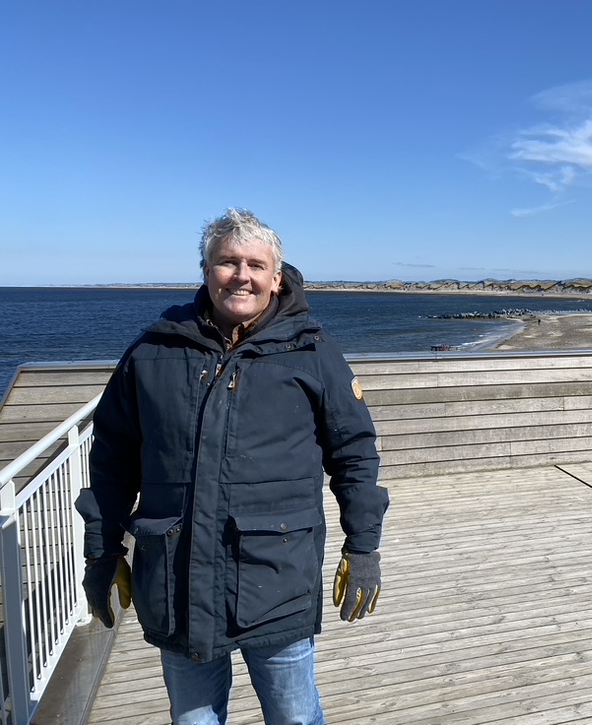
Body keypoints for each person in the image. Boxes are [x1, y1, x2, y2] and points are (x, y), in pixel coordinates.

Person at [75, 208, 389, 725]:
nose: (241, 275)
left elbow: (355, 456)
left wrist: (365, 547)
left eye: (255, 265)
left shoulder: (312, 351)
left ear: (276, 277)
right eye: (227, 262)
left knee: (294, 716)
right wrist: (102, 552)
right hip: (176, 583)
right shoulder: (152, 350)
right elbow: (112, 461)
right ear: (206, 271)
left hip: (277, 580)